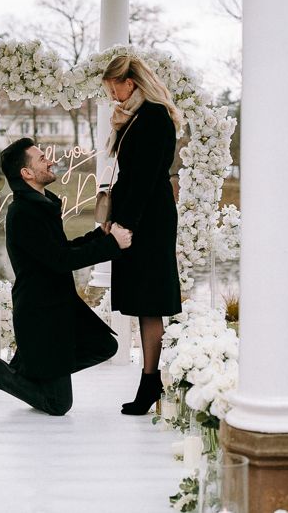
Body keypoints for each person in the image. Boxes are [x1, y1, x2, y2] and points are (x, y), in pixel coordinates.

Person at [0, 137, 133, 416]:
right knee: (57, 404)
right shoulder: (23, 213)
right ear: (26, 173)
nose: (51, 160)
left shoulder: (41, 205)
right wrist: (111, 245)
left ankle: (28, 369)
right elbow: (60, 261)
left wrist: (99, 235)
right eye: (41, 158)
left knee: (104, 345)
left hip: (58, 306)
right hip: (41, 315)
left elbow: (59, 250)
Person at [102, 53, 184, 415]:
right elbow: (131, 177)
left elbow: (146, 178)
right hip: (141, 212)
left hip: (148, 219)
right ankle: (151, 380)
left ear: (130, 82)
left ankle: (151, 381)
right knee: (143, 301)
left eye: (114, 88)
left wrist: (124, 224)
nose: (113, 96)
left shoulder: (153, 116)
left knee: (149, 301)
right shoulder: (137, 116)